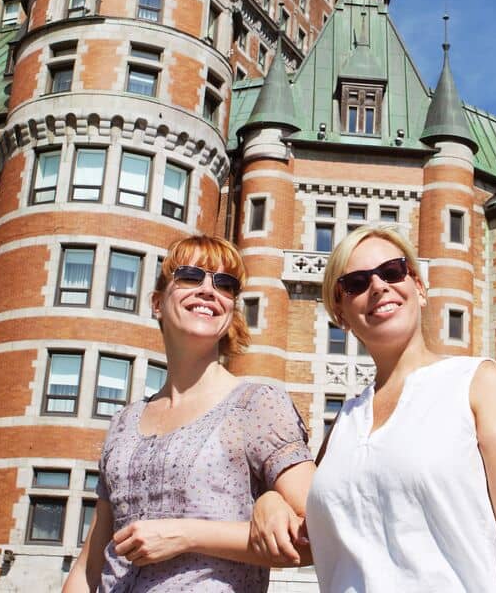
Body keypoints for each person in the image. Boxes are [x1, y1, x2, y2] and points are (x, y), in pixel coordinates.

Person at [250, 224, 496, 592]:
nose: (378, 286)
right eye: (357, 283)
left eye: (392, 271)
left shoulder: (477, 383)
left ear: (420, 287)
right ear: (341, 315)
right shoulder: (345, 423)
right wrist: (268, 502)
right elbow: (319, 534)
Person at [63, 235, 314, 593]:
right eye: (190, 276)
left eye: (224, 284)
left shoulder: (257, 404)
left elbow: (317, 536)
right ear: (156, 303)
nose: (209, 289)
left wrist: (187, 535)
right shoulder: (123, 424)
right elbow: (90, 566)